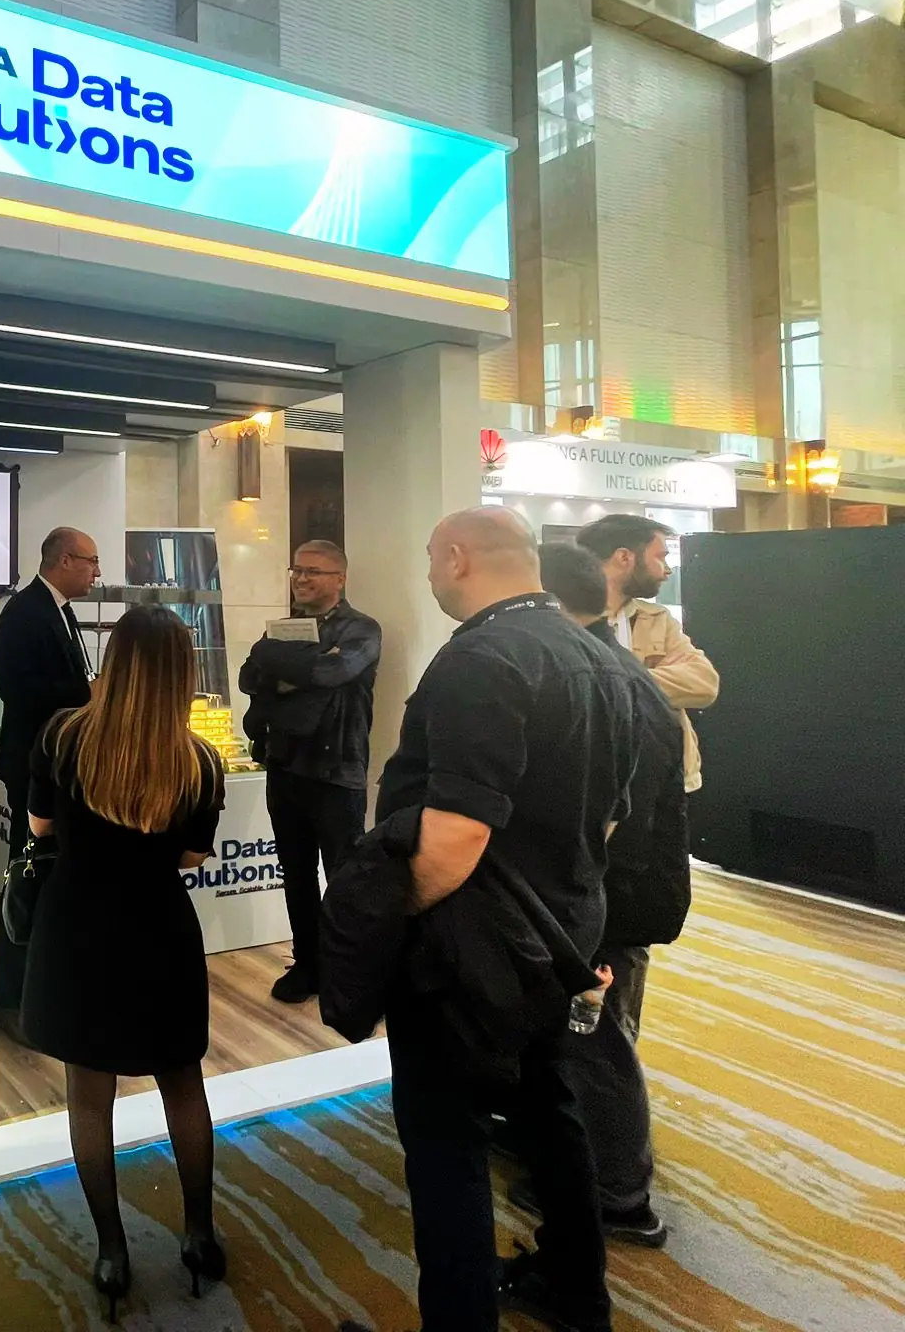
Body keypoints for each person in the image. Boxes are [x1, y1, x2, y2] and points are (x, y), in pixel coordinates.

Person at [349, 508, 634, 1332]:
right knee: (551, 1113)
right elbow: (611, 820)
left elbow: (457, 835)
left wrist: (384, 925)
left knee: (447, 1143)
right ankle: (578, 1296)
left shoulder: (480, 659)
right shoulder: (600, 657)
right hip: (561, 937)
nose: (430, 575)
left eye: (430, 560)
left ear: (456, 556)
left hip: (469, 955)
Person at [20, 606, 229, 1321]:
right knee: (182, 1085)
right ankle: (199, 1235)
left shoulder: (62, 737)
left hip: (76, 929)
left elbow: (40, 826)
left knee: (89, 1095)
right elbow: (191, 857)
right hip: (159, 929)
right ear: (182, 674)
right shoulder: (199, 761)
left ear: (112, 662)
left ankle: (112, 1251)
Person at [527, 542, 692, 1251]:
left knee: (599, 1043)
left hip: (614, 901)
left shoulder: (609, 679)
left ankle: (619, 1195)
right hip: (603, 895)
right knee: (586, 1041)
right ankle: (587, 1162)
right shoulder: (599, 667)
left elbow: (622, 823)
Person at [238, 540, 381, 1004]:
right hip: (284, 766)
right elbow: (247, 675)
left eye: (313, 571)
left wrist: (281, 667)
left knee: (345, 880)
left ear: (340, 578)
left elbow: (331, 674)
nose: (301, 578)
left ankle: (350, 975)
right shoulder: (284, 628)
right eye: (296, 570)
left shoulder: (362, 629)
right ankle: (308, 965)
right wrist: (301, 664)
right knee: (295, 874)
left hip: (336, 772)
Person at [0, 527, 99, 1009]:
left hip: (60, 765)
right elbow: (19, 692)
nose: (97, 572)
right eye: (92, 561)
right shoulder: (24, 612)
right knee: (28, 875)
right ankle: (15, 996)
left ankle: (44, 987)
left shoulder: (60, 610)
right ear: (65, 560)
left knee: (52, 878)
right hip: (34, 768)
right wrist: (87, 694)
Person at [573, 513, 719, 796]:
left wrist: (611, 682)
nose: (667, 570)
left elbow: (704, 683)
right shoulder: (565, 621)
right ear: (624, 557)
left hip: (665, 781)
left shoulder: (656, 618)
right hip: (592, 785)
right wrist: (657, 679)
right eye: (660, 557)